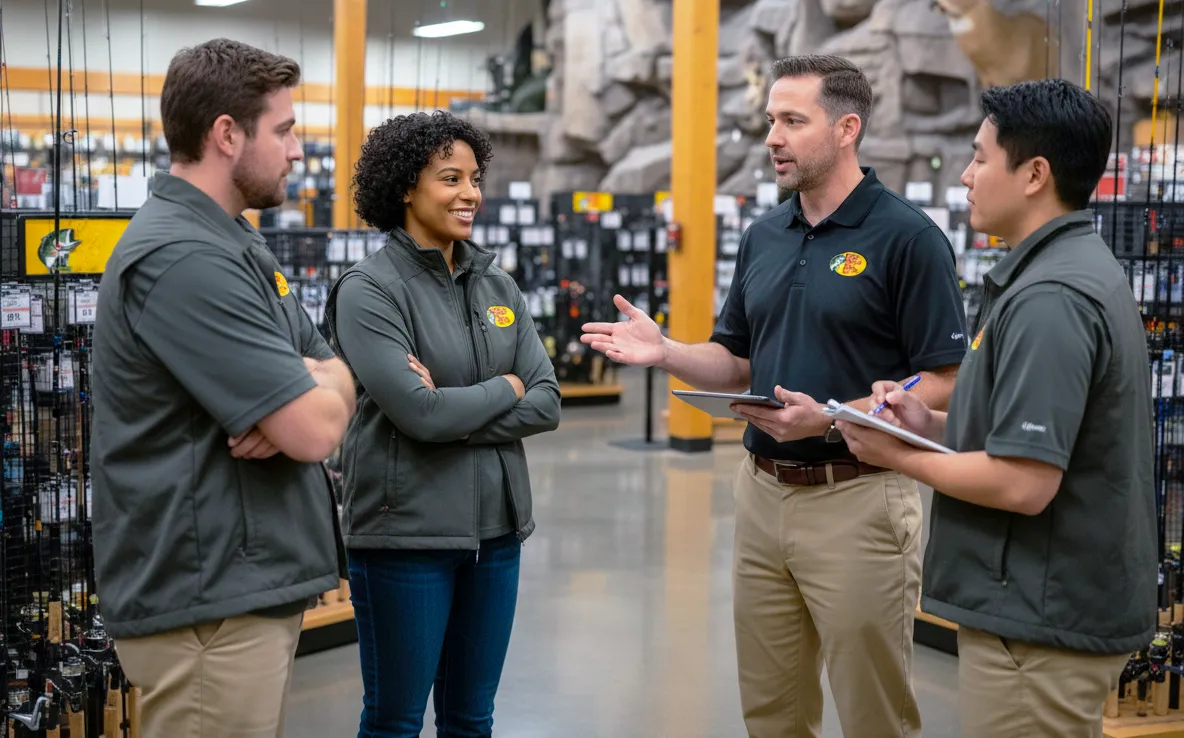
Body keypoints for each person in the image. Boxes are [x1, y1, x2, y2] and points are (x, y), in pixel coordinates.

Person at [581, 54, 968, 737]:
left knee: (873, 714)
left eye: (793, 121)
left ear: (847, 128)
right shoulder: (765, 235)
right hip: (761, 497)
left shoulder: (908, 239)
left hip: (859, 499)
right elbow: (735, 362)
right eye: (770, 121)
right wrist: (666, 351)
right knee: (772, 713)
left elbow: (944, 376)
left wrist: (836, 416)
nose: (773, 138)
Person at [838, 78, 1157, 738]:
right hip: (1043, 612)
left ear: (1034, 173)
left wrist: (896, 456)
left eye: (981, 157)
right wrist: (926, 426)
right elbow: (1031, 434)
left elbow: (1023, 481)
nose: (966, 174)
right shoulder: (1063, 270)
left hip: (1038, 625)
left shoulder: (1052, 298)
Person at [90, 39, 354, 738]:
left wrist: (315, 382)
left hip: (238, 592)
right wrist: (309, 389)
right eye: (286, 130)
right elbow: (318, 429)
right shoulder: (183, 257)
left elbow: (334, 371)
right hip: (206, 607)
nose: (298, 151)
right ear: (227, 134)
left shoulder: (232, 241)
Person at [325, 111, 561, 738]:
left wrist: (461, 406)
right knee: (395, 721)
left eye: (475, 178)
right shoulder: (368, 291)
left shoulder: (497, 284)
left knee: (470, 718)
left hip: (498, 535)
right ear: (405, 186)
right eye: (450, 178)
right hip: (408, 538)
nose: (470, 194)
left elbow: (547, 400)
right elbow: (417, 413)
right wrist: (503, 389)